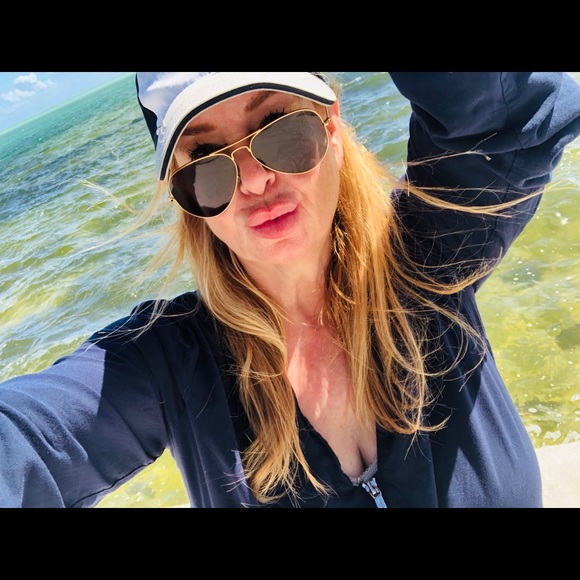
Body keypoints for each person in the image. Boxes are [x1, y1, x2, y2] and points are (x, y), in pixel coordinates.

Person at [1, 72, 580, 508]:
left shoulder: (428, 252)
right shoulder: (169, 366)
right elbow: (27, 441)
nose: (254, 180)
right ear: (185, 193)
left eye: (279, 127)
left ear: (330, 123)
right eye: (206, 158)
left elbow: (508, 112)